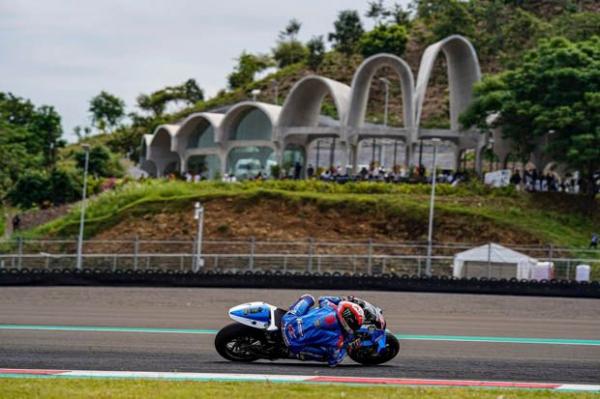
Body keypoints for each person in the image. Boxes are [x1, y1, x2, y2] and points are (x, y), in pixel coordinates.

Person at [281, 294, 365, 367]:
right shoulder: (338, 338)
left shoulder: (329, 307)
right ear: (348, 321)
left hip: (288, 320)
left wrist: (341, 299)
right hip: (294, 344)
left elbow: (322, 298)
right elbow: (334, 361)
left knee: (309, 298)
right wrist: (348, 347)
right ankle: (297, 354)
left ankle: (292, 313)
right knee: (326, 355)